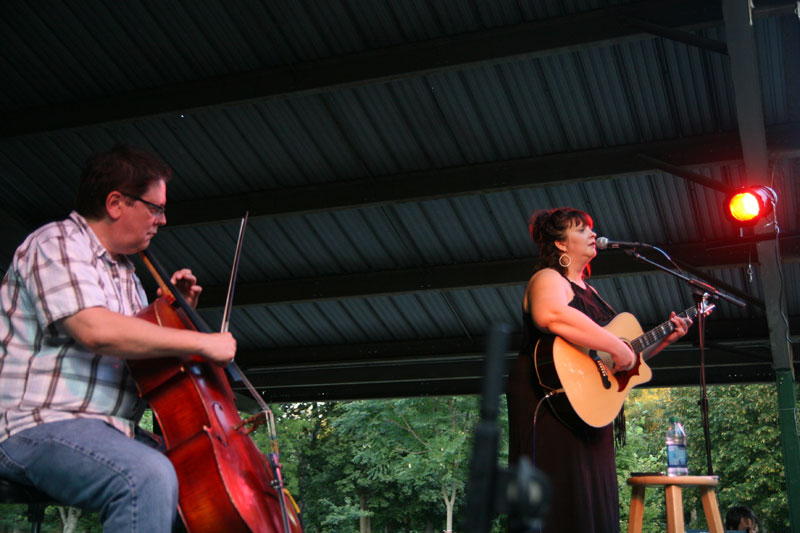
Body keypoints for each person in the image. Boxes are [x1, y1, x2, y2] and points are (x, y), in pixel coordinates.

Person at [0, 144, 236, 532]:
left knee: (202, 481)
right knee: (145, 476)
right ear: (115, 203)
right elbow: (98, 331)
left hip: (110, 430)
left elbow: (140, 359)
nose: (162, 220)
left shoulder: (127, 276)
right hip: (36, 426)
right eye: (155, 207)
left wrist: (174, 319)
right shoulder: (56, 243)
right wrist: (201, 342)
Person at [507, 207, 692, 533]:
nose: (593, 234)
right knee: (561, 498)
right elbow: (551, 315)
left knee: (594, 504)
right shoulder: (548, 279)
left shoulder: (592, 294)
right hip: (551, 403)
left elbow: (622, 361)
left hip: (589, 411)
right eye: (581, 230)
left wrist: (666, 337)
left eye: (591, 229)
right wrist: (614, 344)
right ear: (561, 244)